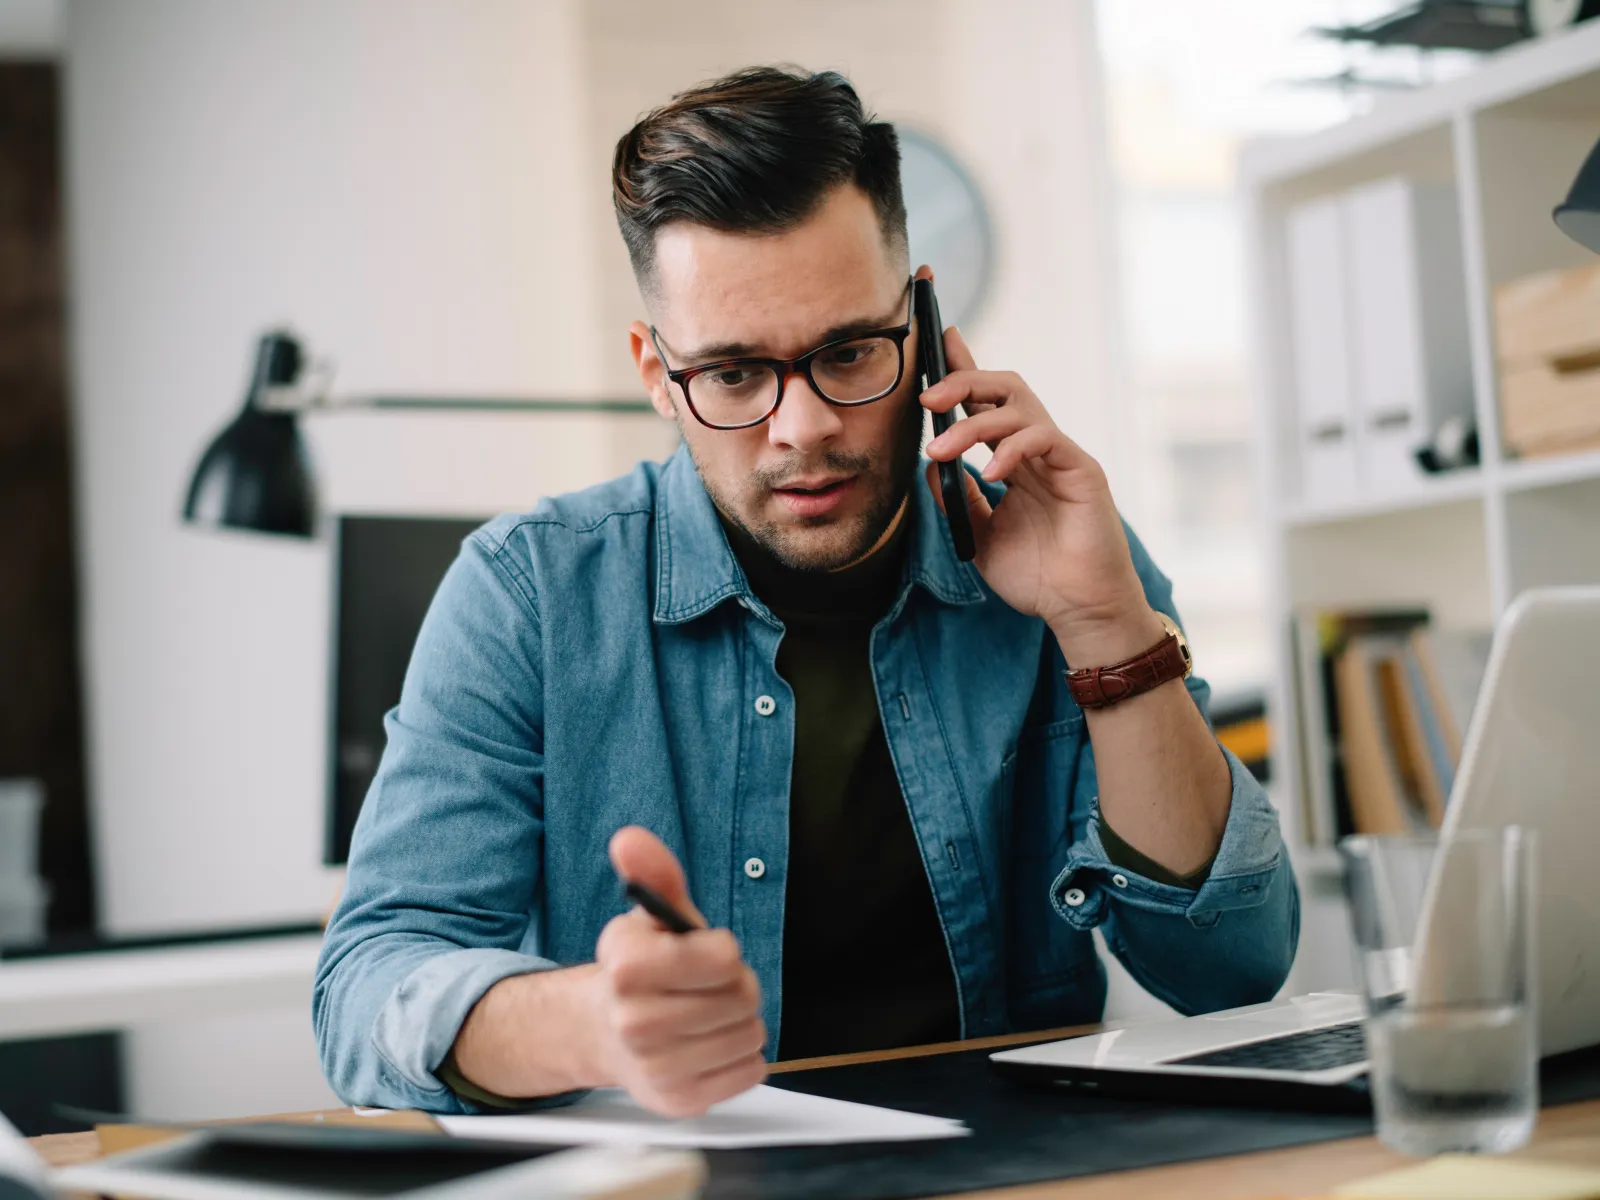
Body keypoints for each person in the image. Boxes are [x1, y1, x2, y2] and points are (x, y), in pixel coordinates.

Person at [314, 65, 1298, 1118]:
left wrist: (1106, 628)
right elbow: (367, 990)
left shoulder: (1071, 554)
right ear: (657, 373)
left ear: (919, 326)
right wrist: (592, 1022)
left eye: (846, 352)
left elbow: (1231, 971)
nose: (804, 429)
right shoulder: (529, 596)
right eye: (734, 375)